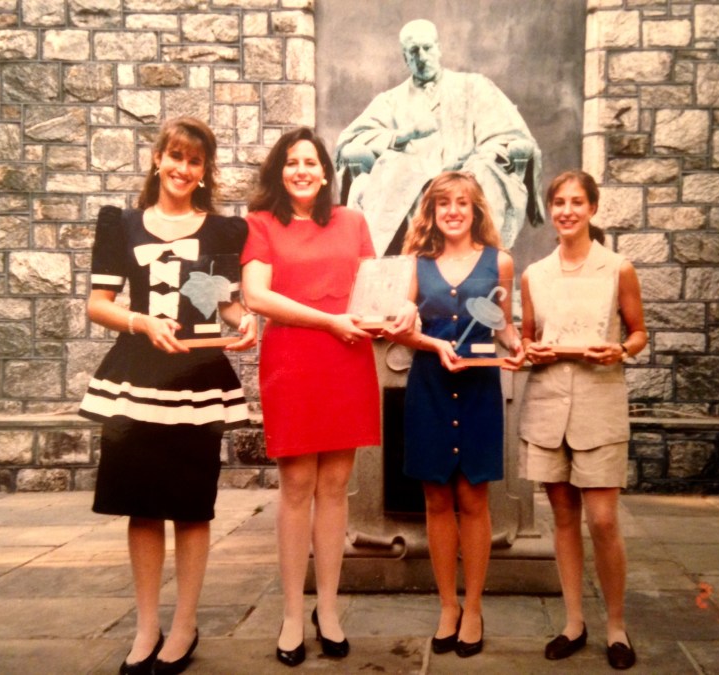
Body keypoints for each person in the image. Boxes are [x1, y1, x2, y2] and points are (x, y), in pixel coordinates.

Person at [79, 117, 257, 675]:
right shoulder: (122, 224)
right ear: (158, 159)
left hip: (197, 378)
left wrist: (245, 321)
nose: (183, 169)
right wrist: (139, 322)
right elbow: (98, 303)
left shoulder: (221, 233)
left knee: (190, 505)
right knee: (141, 503)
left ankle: (184, 625)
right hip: (135, 379)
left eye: (195, 161)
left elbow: (220, 302)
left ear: (205, 172)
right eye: (175, 157)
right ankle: (146, 625)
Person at [241, 127, 414, 667]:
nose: (301, 170)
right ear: (280, 170)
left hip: (346, 363)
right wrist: (330, 321)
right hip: (293, 362)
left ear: (325, 171)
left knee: (336, 486)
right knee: (297, 485)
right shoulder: (262, 224)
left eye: (311, 162)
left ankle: (330, 609)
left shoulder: (353, 222)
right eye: (291, 162)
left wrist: (402, 309)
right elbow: (257, 295)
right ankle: (294, 613)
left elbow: (377, 288)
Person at [391, 171, 524, 658]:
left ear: (475, 209)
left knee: (473, 497)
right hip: (429, 386)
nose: (452, 210)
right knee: (435, 499)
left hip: (478, 392)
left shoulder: (500, 262)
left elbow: (504, 325)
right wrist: (432, 342)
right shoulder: (414, 264)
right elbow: (399, 329)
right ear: (432, 210)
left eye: (461, 203)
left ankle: (473, 607)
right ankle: (447, 605)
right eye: (443, 203)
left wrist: (518, 344)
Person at [518, 170, 647, 670]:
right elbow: (528, 339)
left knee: (603, 519)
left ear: (592, 209)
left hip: (598, 402)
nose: (567, 210)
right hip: (549, 404)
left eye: (577, 202)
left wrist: (617, 348)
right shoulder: (535, 274)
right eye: (559, 202)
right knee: (564, 518)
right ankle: (574, 622)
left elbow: (638, 333)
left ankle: (616, 625)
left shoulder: (618, 268)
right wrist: (531, 350)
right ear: (551, 210)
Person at [334, 18, 545, 256]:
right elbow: (351, 141)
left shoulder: (474, 87)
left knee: (482, 172)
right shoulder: (390, 101)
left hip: (469, 173)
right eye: (413, 51)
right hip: (409, 182)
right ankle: (406, 258)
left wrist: (471, 163)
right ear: (405, 58)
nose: (422, 56)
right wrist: (400, 136)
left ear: (439, 49)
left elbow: (504, 134)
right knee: (394, 171)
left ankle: (477, 258)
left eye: (427, 48)